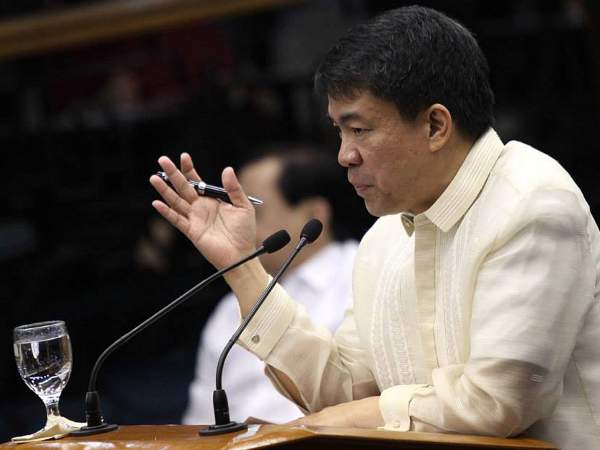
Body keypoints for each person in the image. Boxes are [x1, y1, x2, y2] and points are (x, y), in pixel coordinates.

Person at [149, 6, 600, 450]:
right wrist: (243, 267)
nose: (344, 155)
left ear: (435, 125)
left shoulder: (532, 203)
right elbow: (346, 393)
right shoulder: (385, 236)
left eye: (359, 130)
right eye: (339, 132)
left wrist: (325, 423)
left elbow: (496, 402)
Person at [182, 148, 360, 424]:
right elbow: (198, 422)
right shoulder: (230, 307)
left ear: (314, 214)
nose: (239, 221)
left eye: (253, 211)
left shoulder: (361, 274)